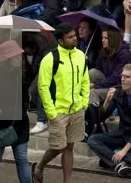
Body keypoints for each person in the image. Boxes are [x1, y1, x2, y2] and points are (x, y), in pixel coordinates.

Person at [34, 23, 90, 183]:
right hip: (58, 111)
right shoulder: (50, 58)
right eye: (70, 37)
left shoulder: (80, 55)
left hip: (77, 109)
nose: (75, 39)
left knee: (69, 147)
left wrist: (84, 102)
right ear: (60, 40)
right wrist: (51, 112)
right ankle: (40, 165)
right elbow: (43, 87)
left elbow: (85, 80)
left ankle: (68, 181)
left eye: (74, 35)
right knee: (58, 146)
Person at [87, 64, 131, 177]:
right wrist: (107, 101)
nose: (122, 79)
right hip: (122, 134)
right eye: (122, 76)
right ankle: (124, 163)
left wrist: (124, 150)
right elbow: (102, 118)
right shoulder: (119, 93)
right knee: (92, 140)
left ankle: (114, 159)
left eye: (127, 77)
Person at [0, 40, 32, 183]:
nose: (18, 59)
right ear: (6, 59)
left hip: (20, 123)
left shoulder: (22, 74)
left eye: (19, 56)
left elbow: (25, 99)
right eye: (15, 56)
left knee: (22, 159)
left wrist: (23, 105)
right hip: (0, 124)